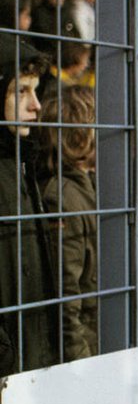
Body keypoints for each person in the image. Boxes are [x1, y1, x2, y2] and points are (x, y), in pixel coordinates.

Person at [0, 35, 55, 374]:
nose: (36, 105)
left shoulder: (20, 162)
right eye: (21, 91)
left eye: (35, 90)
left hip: (29, 370)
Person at [38, 86, 98, 359]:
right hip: (85, 341)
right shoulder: (61, 198)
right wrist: (80, 361)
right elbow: (67, 293)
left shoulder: (87, 186)